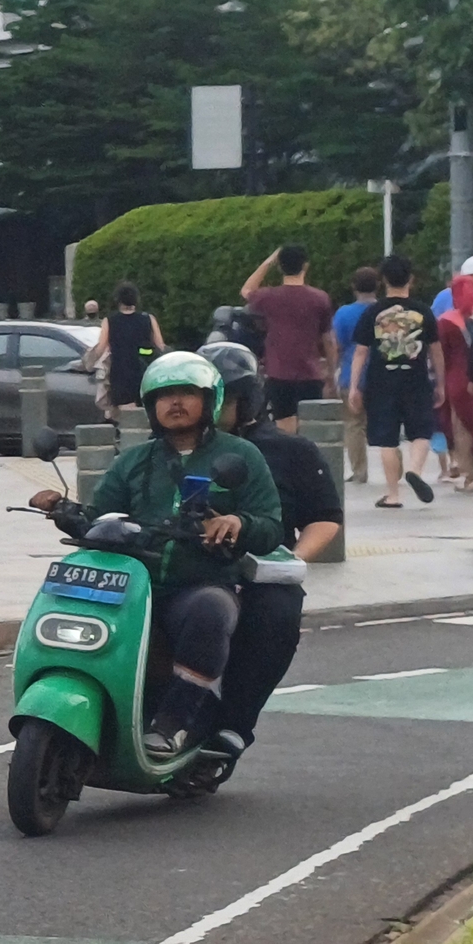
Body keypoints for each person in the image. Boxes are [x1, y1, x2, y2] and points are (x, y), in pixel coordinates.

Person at [31, 352, 283, 759]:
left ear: (209, 399)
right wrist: (61, 509)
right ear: (151, 406)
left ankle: (175, 723)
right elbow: (99, 519)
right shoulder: (132, 461)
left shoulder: (242, 456)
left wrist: (238, 522)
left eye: (186, 393)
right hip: (132, 583)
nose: (175, 403)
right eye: (164, 396)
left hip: (197, 582)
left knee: (210, 610)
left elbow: (271, 525)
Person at [198, 339, 340, 763]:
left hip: (257, 571)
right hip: (185, 563)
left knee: (277, 613)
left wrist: (292, 560)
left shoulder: (292, 451)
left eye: (216, 399)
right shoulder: (170, 450)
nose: (204, 409)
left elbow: (325, 516)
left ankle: (233, 725)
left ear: (246, 400)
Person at [346, 253, 444, 505]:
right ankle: (415, 471)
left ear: (383, 280)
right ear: (411, 278)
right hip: (417, 378)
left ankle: (393, 494)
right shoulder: (423, 311)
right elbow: (435, 349)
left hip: (381, 381)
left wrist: (354, 386)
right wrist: (440, 383)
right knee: (421, 431)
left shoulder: (373, 312)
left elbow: (361, 351)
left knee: (386, 438)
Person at [238, 245, 335, 431]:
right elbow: (328, 339)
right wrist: (330, 373)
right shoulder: (320, 298)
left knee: (284, 426)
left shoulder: (269, 297)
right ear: (305, 266)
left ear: (280, 267)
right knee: (311, 428)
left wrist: (268, 262)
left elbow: (246, 290)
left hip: (278, 372)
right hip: (310, 373)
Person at [80, 282, 165, 415]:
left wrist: (88, 363)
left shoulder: (110, 320)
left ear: (118, 300)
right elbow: (161, 346)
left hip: (120, 375)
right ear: (136, 300)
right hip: (145, 373)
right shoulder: (148, 318)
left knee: (126, 417)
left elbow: (101, 347)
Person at [331, 267, 377, 482]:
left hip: (352, 374)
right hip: (381, 374)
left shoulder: (344, 313)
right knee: (387, 422)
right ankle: (395, 468)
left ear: (353, 287)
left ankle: (360, 471)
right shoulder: (384, 310)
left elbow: (337, 345)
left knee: (353, 424)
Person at [437, 278, 473, 490]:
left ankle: (470, 476)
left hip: (456, 378)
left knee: (461, 428)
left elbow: (441, 355)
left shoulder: (446, 320)